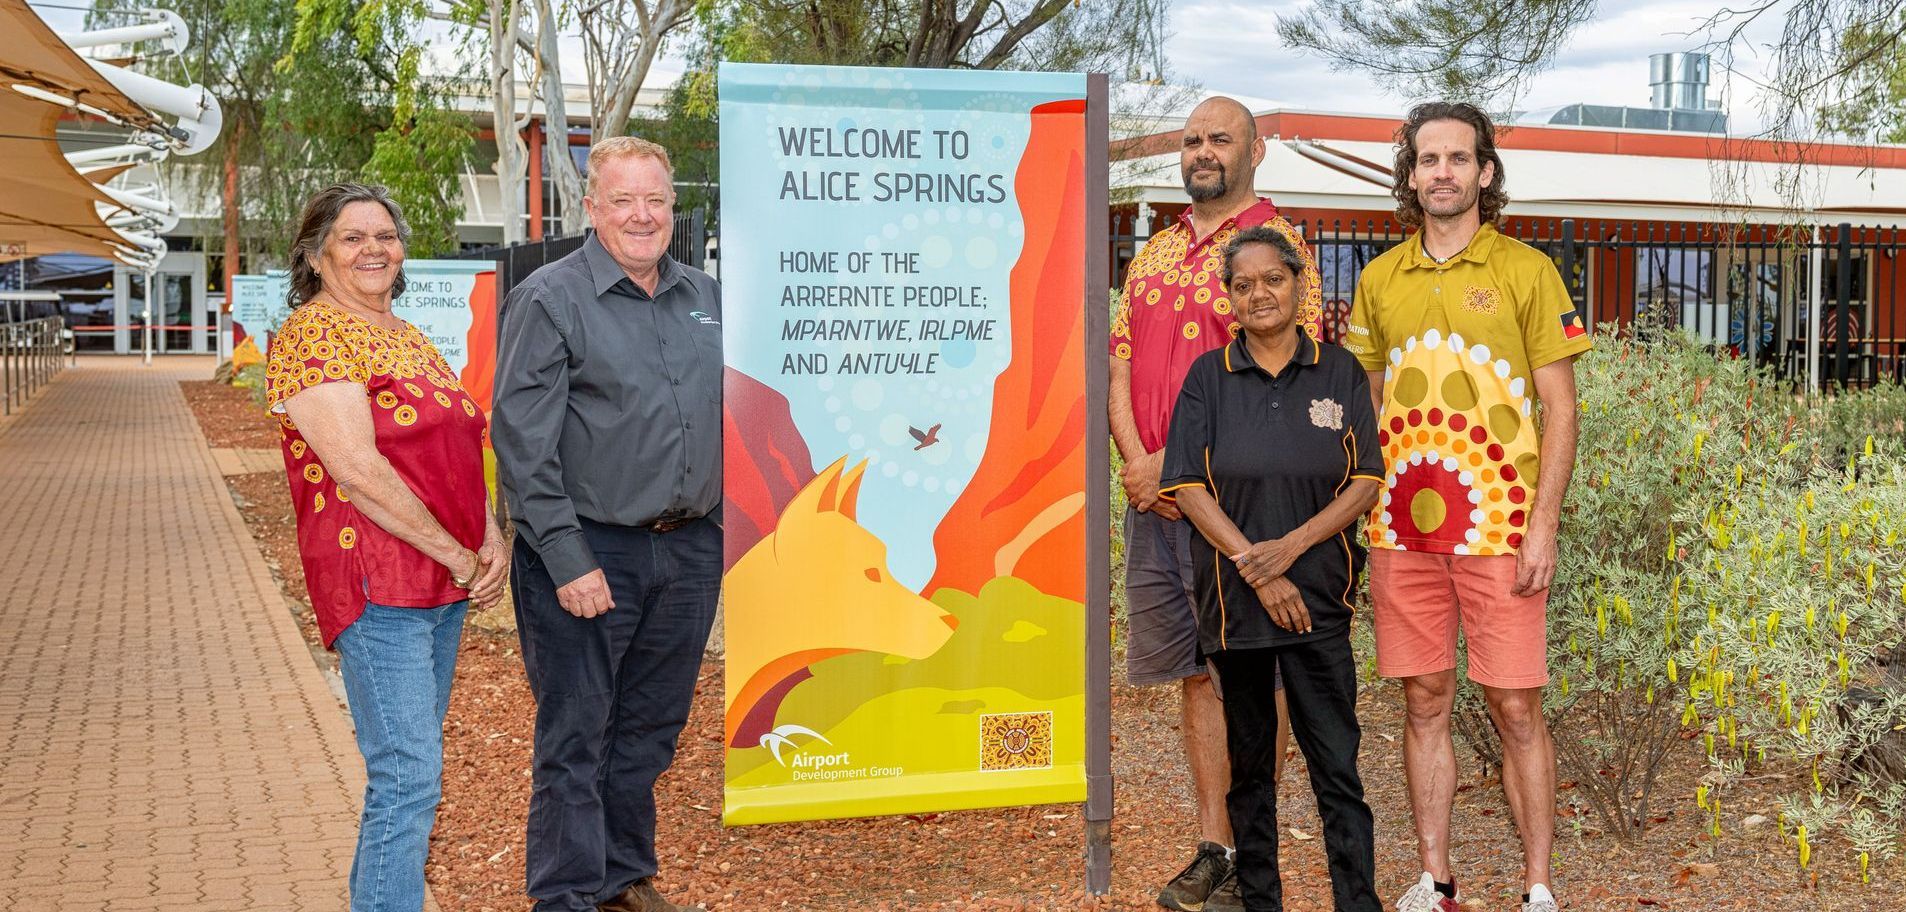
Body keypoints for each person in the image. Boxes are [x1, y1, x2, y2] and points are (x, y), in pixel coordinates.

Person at [1342, 102, 1590, 912]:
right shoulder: (1379, 281)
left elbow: (1562, 406)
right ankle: (1434, 879)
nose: (1441, 171)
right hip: (1400, 534)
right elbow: (1361, 406)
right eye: (1426, 159)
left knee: (1516, 706)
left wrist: (1543, 524)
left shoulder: (1528, 271)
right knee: (1423, 701)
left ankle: (1539, 890)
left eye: (1457, 158)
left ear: (1485, 171)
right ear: (1409, 176)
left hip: (1502, 528)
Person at [265, 182, 510, 912]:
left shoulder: (402, 334)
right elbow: (362, 473)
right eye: (352, 237)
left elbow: (460, 444)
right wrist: (460, 554)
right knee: (407, 774)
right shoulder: (313, 335)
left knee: (411, 770)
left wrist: (487, 531)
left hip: (437, 580)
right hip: (379, 581)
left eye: (385, 236)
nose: (374, 249)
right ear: (315, 255)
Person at [492, 136, 721, 912]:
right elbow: (521, 439)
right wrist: (565, 556)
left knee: (651, 730)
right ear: (591, 208)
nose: (641, 215)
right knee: (577, 736)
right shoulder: (552, 298)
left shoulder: (709, 299)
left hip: (688, 552)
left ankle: (622, 877)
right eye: (622, 199)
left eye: (655, 198)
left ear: (673, 206)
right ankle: (563, 895)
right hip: (589, 551)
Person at [1109, 94, 1321, 911]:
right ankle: (1214, 849)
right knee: (1199, 677)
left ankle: (1251, 847)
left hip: (1238, 506)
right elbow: (1119, 364)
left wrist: (1175, 462)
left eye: (1220, 139)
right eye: (1192, 141)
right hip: (1156, 502)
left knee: (1250, 675)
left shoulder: (1275, 245)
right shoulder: (1156, 249)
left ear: (1255, 151)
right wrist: (1137, 462)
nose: (1203, 152)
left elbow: (1273, 375)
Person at [1159, 226, 1383, 912]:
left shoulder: (1338, 371)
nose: (1258, 294)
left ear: (1298, 285)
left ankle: (1358, 901)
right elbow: (1188, 487)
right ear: (1229, 298)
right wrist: (1259, 568)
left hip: (1320, 600)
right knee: (1250, 772)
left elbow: (1366, 479)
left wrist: (1291, 549)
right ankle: (1261, 901)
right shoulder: (1208, 378)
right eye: (1242, 284)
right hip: (1238, 604)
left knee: (1336, 770)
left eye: (1272, 280)